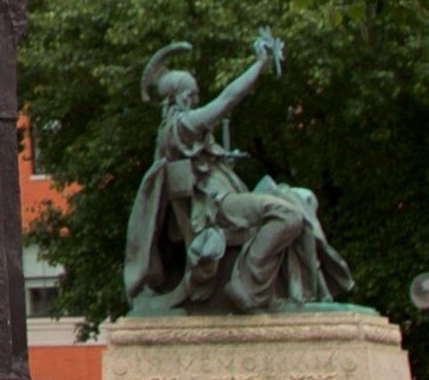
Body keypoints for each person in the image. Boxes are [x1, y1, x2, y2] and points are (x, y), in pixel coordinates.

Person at [122, 31, 356, 313]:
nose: (195, 99)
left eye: (195, 93)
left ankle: (305, 293)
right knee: (287, 215)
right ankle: (248, 285)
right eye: (190, 94)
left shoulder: (185, 133)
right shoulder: (180, 127)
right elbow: (226, 100)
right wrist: (258, 65)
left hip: (227, 200)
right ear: (175, 99)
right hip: (216, 209)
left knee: (302, 198)